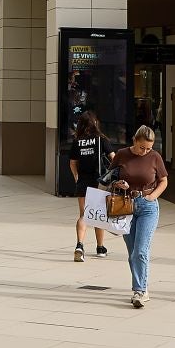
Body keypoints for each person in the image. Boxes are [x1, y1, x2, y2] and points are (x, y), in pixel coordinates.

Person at [112, 125, 168, 308]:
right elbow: (110, 176)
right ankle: (141, 286)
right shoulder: (122, 154)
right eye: (142, 147)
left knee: (141, 250)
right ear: (135, 141)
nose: (145, 151)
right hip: (126, 205)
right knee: (132, 253)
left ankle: (140, 291)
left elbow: (164, 180)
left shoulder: (155, 157)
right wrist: (118, 183)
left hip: (148, 206)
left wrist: (152, 196)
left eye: (149, 148)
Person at [67, 110, 113, 261]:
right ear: (95, 123)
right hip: (99, 182)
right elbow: (114, 158)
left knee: (84, 215)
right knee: (98, 214)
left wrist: (77, 178)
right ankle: (100, 247)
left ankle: (79, 245)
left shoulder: (77, 141)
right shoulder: (101, 140)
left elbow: (73, 163)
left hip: (83, 182)